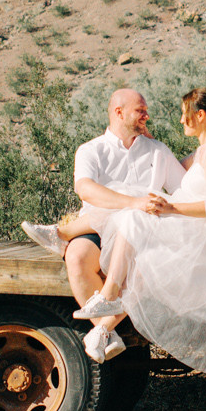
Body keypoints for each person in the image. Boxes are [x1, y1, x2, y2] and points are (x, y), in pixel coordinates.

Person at [73, 88, 206, 382]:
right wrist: (149, 146)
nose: (180, 120)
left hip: (204, 234)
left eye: (185, 113)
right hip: (185, 227)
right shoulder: (203, 151)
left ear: (200, 115)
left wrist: (171, 208)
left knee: (138, 234)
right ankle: (103, 323)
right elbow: (173, 168)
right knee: (136, 227)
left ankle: (107, 304)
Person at [22, 88, 187, 362]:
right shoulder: (91, 150)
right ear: (118, 112)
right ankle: (104, 330)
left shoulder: (157, 150)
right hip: (98, 229)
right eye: (140, 110)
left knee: (142, 262)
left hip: (144, 234)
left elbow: (182, 189)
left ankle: (102, 331)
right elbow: (85, 190)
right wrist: (132, 202)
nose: (147, 115)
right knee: (76, 256)